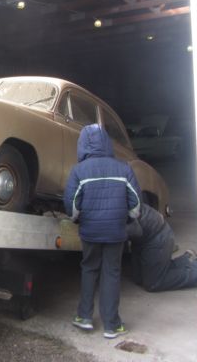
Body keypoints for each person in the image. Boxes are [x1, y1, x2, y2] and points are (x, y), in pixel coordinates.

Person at [64, 124, 141, 339]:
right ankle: (112, 325)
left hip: (90, 232)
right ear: (107, 143)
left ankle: (84, 317)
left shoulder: (79, 171)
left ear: (82, 145)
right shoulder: (124, 168)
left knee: (89, 269)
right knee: (112, 273)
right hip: (116, 232)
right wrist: (127, 218)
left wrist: (77, 218)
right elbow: (135, 204)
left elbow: (72, 205)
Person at [127, 203, 197, 292]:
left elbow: (135, 230)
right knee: (138, 279)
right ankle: (186, 260)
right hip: (143, 238)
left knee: (153, 283)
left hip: (157, 236)